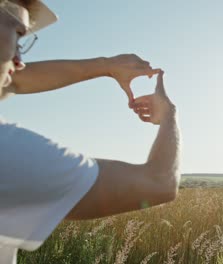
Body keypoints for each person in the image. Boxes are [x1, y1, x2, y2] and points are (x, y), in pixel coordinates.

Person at [0, 1, 181, 263]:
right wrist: (169, 116)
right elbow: (160, 183)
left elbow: (14, 80)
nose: (20, 62)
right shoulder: (9, 153)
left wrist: (108, 65)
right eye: (17, 36)